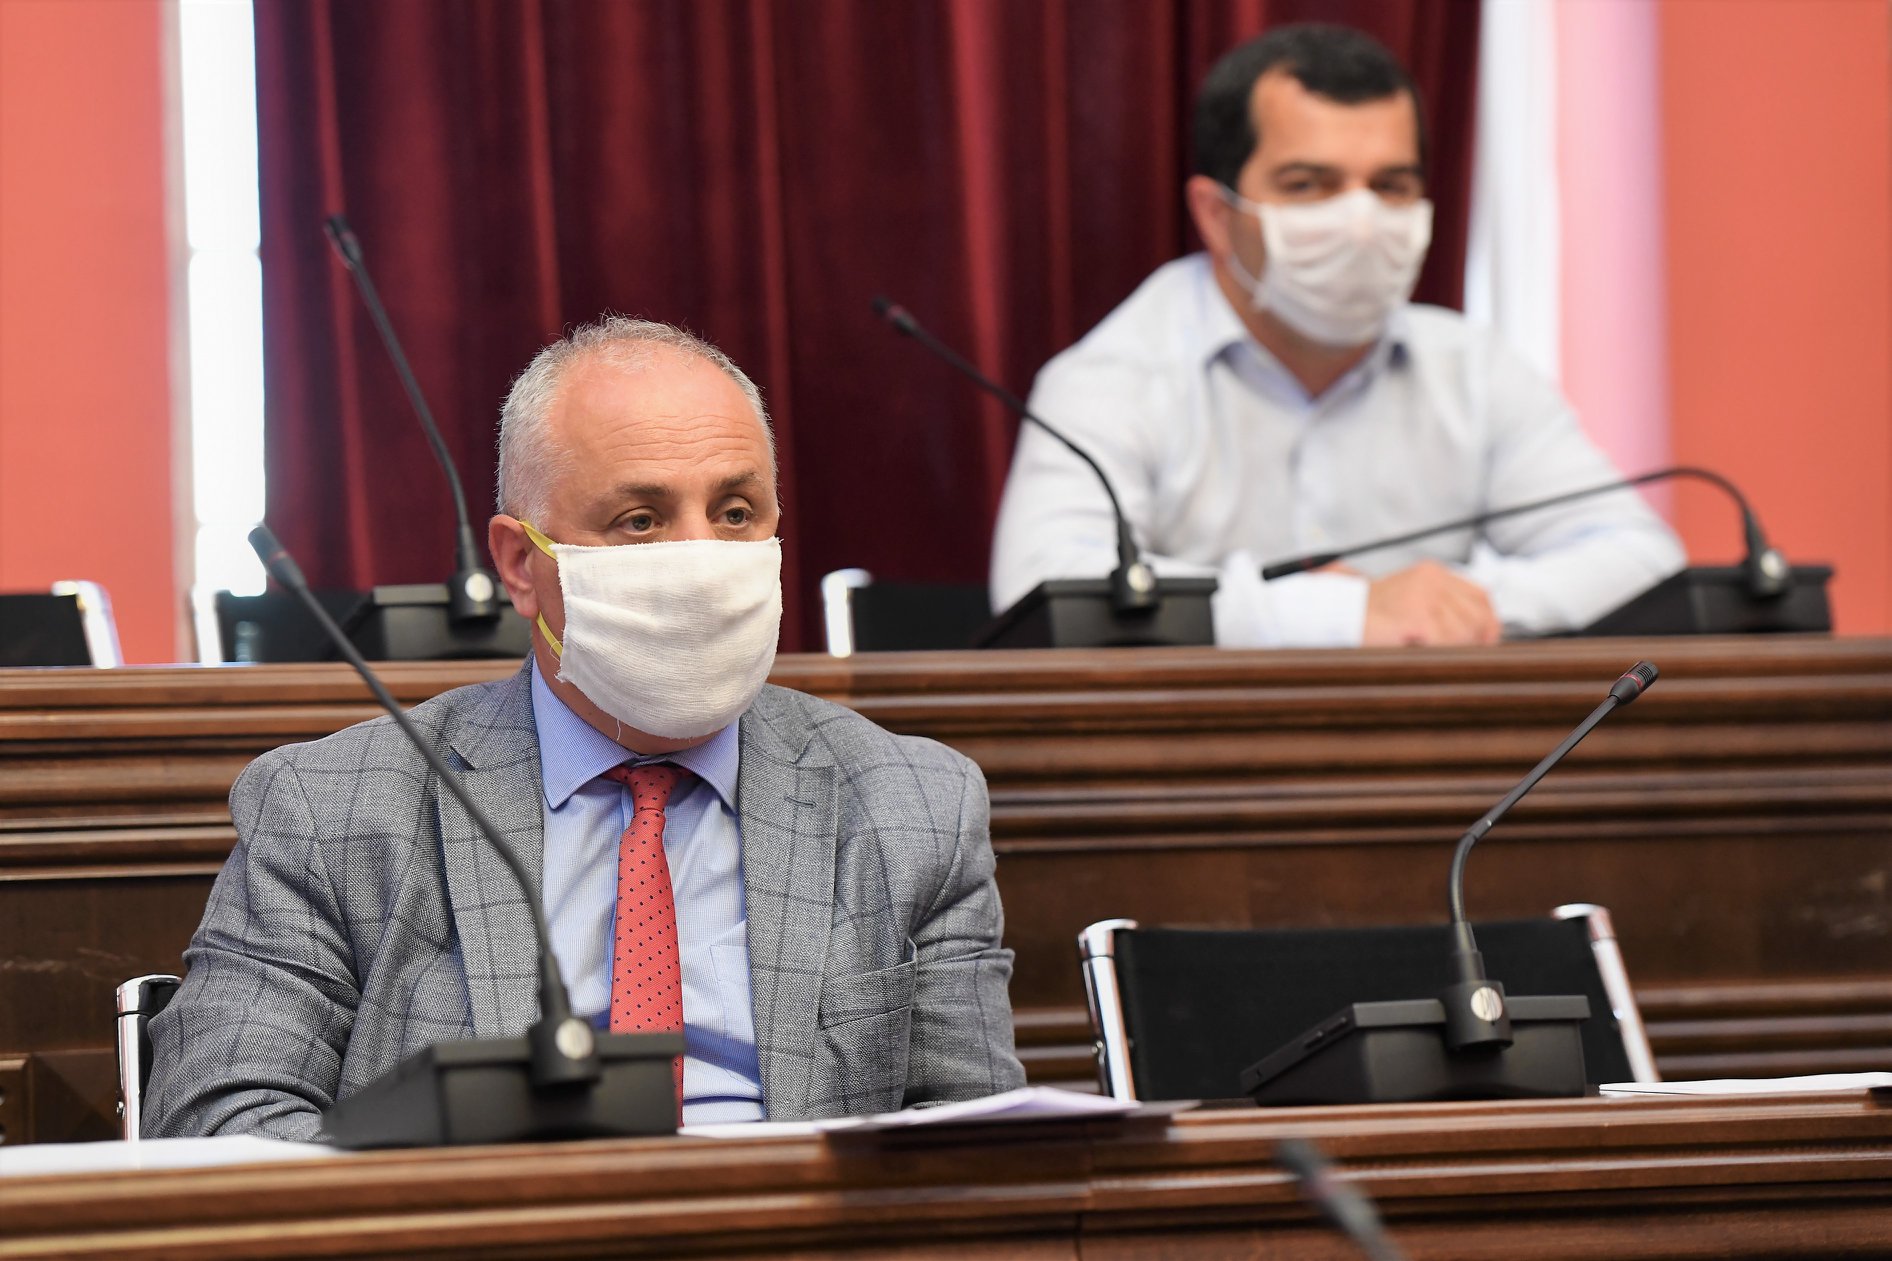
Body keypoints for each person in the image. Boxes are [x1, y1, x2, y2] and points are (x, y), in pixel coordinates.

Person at [146, 317, 1024, 1138]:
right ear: (521, 565)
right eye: (639, 521)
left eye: (735, 513)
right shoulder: (331, 810)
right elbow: (220, 1119)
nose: (701, 560)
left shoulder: (913, 806)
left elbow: (981, 1149)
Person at [990, 24, 1683, 648]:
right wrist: (1336, 615)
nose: (1360, 221)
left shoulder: (1475, 369)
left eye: (1390, 185)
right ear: (1216, 215)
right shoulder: (1112, 378)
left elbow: (1639, 554)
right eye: (1308, 185)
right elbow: (1047, 582)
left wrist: (1447, 607)